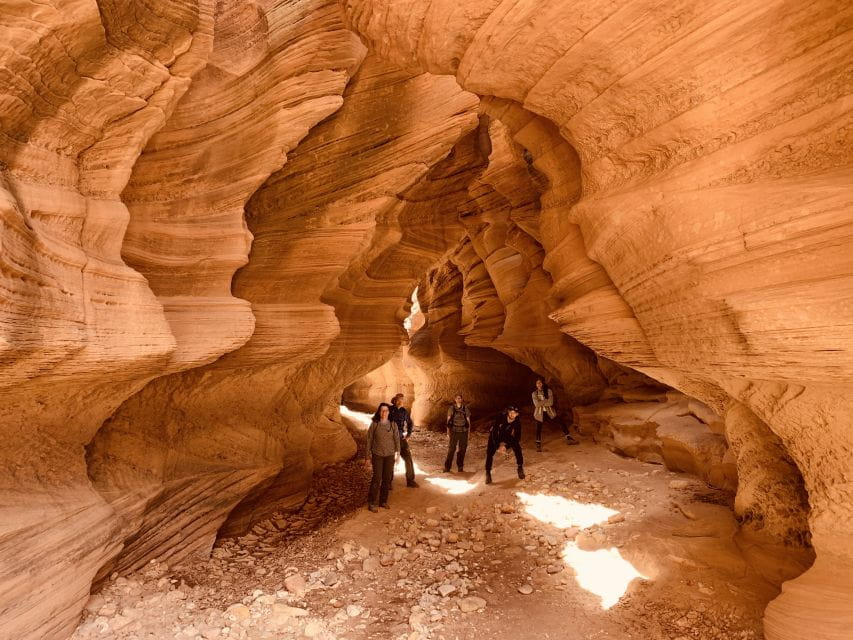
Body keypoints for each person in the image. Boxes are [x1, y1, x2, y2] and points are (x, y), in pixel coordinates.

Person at [365, 402, 400, 512]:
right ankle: (372, 502)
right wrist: (367, 457)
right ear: (379, 412)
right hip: (377, 455)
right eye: (382, 410)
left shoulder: (393, 424)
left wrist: (398, 454)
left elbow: (396, 439)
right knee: (377, 478)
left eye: (386, 410)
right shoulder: (375, 424)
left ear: (389, 412)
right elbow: (369, 440)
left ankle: (383, 501)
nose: (384, 413)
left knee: (387, 478)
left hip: (389, 455)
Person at [532, 378, 577, 451]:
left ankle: (568, 437)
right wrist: (545, 400)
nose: (539, 384)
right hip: (539, 413)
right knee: (538, 427)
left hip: (549, 411)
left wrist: (541, 402)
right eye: (537, 383)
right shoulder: (534, 393)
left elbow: (551, 402)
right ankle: (538, 443)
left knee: (560, 421)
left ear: (543, 383)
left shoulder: (548, 391)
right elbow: (536, 405)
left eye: (540, 383)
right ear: (536, 385)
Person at [485, 405, 525, 484]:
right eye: (510, 412)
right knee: (490, 453)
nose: (512, 414)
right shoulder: (501, 417)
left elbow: (517, 437)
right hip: (496, 434)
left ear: (517, 414)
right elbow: (495, 431)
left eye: (514, 413)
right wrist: (497, 446)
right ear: (508, 412)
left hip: (506, 435)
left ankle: (520, 467)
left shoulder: (517, 421)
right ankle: (488, 473)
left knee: (517, 447)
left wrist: (506, 447)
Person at [389, 393, 419, 488]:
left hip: (401, 439)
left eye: (401, 400)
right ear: (394, 401)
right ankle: (388, 482)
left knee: (408, 459)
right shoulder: (389, 410)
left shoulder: (404, 411)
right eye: (398, 400)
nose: (400, 402)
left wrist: (409, 434)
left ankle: (410, 481)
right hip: (390, 439)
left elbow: (410, 423)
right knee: (390, 461)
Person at [444, 394, 471, 473]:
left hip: (463, 431)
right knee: (451, 450)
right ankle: (447, 467)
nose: (459, 400)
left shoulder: (465, 408)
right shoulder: (451, 409)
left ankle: (460, 466)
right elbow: (448, 421)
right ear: (455, 399)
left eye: (460, 398)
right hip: (454, 431)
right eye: (457, 398)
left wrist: (469, 433)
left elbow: (468, 421)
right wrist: (448, 432)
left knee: (462, 450)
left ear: (462, 399)